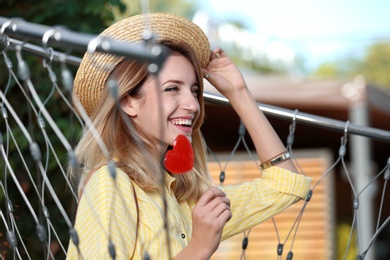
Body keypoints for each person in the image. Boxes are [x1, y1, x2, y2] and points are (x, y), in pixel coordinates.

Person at [66, 13, 311, 259]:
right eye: (172, 88)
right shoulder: (112, 183)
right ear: (129, 102)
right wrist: (199, 248)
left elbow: (285, 185)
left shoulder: (185, 198)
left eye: (194, 91)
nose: (193, 105)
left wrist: (239, 93)